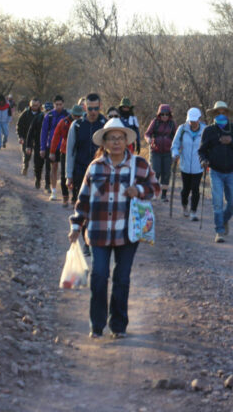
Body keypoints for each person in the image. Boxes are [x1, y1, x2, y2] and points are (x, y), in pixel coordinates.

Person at [68, 118, 160, 339]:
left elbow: (155, 189)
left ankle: (118, 326)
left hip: (127, 233)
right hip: (98, 232)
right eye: (112, 139)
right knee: (99, 276)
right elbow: (83, 199)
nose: (117, 142)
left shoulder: (139, 165)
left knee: (122, 278)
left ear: (127, 141)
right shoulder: (95, 167)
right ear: (105, 143)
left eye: (120, 138)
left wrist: (138, 189)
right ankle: (97, 326)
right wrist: (76, 225)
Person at [198, 101, 233, 243]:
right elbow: (202, 151)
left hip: (232, 171)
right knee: (217, 202)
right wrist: (203, 161)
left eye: (223, 112)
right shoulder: (208, 131)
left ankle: (224, 220)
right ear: (214, 114)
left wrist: (231, 141)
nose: (221, 115)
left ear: (227, 114)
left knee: (232, 203)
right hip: (215, 171)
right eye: (218, 113)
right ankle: (219, 231)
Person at [66, 93, 107, 256]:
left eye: (96, 108)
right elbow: (70, 151)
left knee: (97, 208)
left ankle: (94, 241)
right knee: (82, 208)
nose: (93, 111)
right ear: (85, 108)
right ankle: (86, 241)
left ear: (100, 106)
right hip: (80, 171)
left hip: (100, 173)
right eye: (90, 108)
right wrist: (68, 175)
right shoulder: (76, 126)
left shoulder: (105, 124)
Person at [171, 107, 206, 220]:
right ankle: (184, 205)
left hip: (199, 165)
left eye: (195, 120)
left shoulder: (205, 130)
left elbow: (208, 146)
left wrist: (207, 159)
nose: (193, 123)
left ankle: (193, 212)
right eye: (191, 120)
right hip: (185, 165)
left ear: (199, 119)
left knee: (195, 188)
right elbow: (175, 145)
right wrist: (175, 154)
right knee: (186, 189)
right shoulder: (182, 129)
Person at [50, 104, 84, 207]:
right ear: (72, 114)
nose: (77, 118)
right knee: (65, 175)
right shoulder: (63, 122)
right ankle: (65, 197)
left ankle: (75, 198)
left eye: (79, 116)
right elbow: (56, 136)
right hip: (65, 151)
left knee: (77, 176)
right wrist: (52, 151)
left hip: (79, 152)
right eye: (75, 116)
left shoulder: (84, 123)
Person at [144, 104, 177, 202]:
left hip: (168, 151)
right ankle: (153, 192)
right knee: (156, 171)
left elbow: (176, 137)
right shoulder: (155, 122)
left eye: (167, 114)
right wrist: (149, 140)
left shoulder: (172, 124)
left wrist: (177, 149)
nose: (165, 116)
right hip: (156, 151)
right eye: (162, 114)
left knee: (166, 173)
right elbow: (147, 134)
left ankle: (163, 195)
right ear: (159, 114)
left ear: (169, 115)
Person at [41, 95, 69, 199]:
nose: (58, 106)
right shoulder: (49, 116)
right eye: (56, 105)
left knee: (65, 170)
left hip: (65, 146)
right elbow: (44, 132)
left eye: (60, 104)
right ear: (54, 105)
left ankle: (66, 190)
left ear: (63, 104)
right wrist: (42, 148)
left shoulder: (67, 115)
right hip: (52, 145)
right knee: (54, 168)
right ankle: (53, 191)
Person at [17, 99, 43, 175]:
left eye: (36, 105)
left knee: (38, 156)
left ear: (39, 105)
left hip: (37, 138)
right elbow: (19, 126)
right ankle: (25, 166)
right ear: (30, 105)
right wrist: (20, 136)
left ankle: (37, 172)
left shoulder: (42, 115)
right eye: (33, 105)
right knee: (27, 154)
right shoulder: (25, 114)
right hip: (26, 137)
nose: (34, 107)